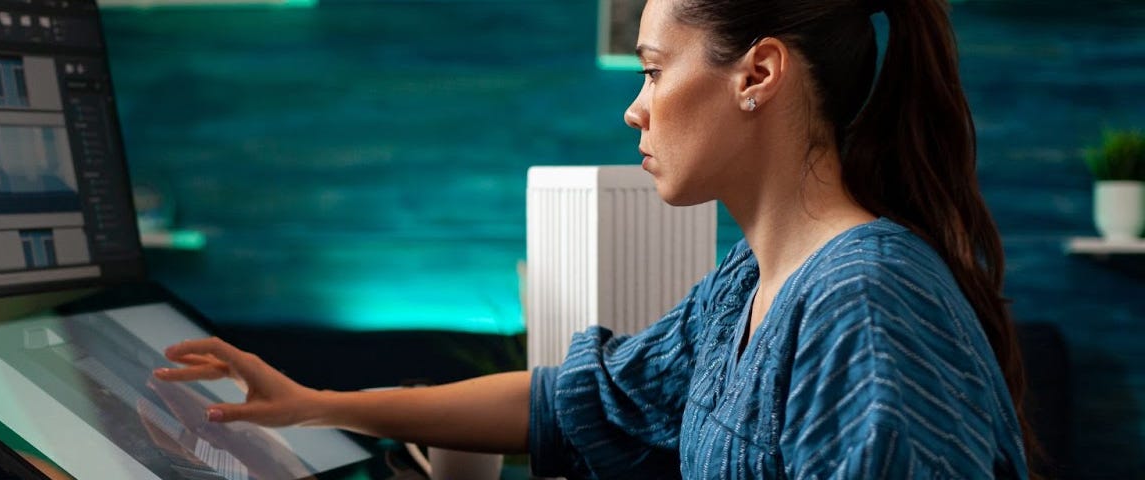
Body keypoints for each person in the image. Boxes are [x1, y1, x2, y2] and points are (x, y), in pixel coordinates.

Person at [155, 0, 1036, 477]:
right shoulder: (748, 286)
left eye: (655, 71)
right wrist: (316, 403)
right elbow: (575, 404)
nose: (634, 106)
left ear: (758, 74)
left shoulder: (865, 304)